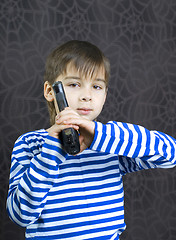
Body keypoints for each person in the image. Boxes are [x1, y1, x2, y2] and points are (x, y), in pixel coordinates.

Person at [7, 40, 176, 240]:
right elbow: (20, 216)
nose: (87, 96)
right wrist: (50, 152)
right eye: (74, 84)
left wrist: (99, 134)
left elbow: (169, 153)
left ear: (105, 95)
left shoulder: (111, 142)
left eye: (96, 86)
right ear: (50, 91)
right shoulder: (30, 144)